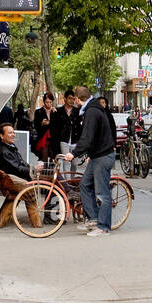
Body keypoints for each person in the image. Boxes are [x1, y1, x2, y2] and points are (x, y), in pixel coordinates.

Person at [64, 85, 116, 236]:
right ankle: (93, 219)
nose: (76, 104)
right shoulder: (93, 109)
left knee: (101, 193)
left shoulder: (92, 112)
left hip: (102, 156)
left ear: (79, 99)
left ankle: (103, 227)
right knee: (85, 185)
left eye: (76, 100)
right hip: (98, 155)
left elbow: (87, 137)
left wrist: (74, 153)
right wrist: (89, 154)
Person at [0, 122, 41, 229]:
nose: (13, 134)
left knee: (13, 197)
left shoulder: (10, 146)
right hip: (9, 180)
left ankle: (1, 222)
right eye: (9, 133)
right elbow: (17, 168)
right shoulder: (4, 150)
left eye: (13, 132)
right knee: (29, 191)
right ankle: (36, 223)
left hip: (12, 179)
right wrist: (32, 169)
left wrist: (31, 168)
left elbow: (21, 163)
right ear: (2, 136)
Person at [32, 93, 57, 161]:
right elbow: (35, 124)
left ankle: (52, 172)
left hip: (53, 138)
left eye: (50, 102)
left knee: (53, 159)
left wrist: (55, 114)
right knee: (43, 158)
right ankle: (43, 171)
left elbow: (58, 125)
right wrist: (42, 123)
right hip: (43, 137)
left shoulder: (55, 111)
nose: (48, 104)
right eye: (46, 102)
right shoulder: (38, 111)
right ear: (44, 102)